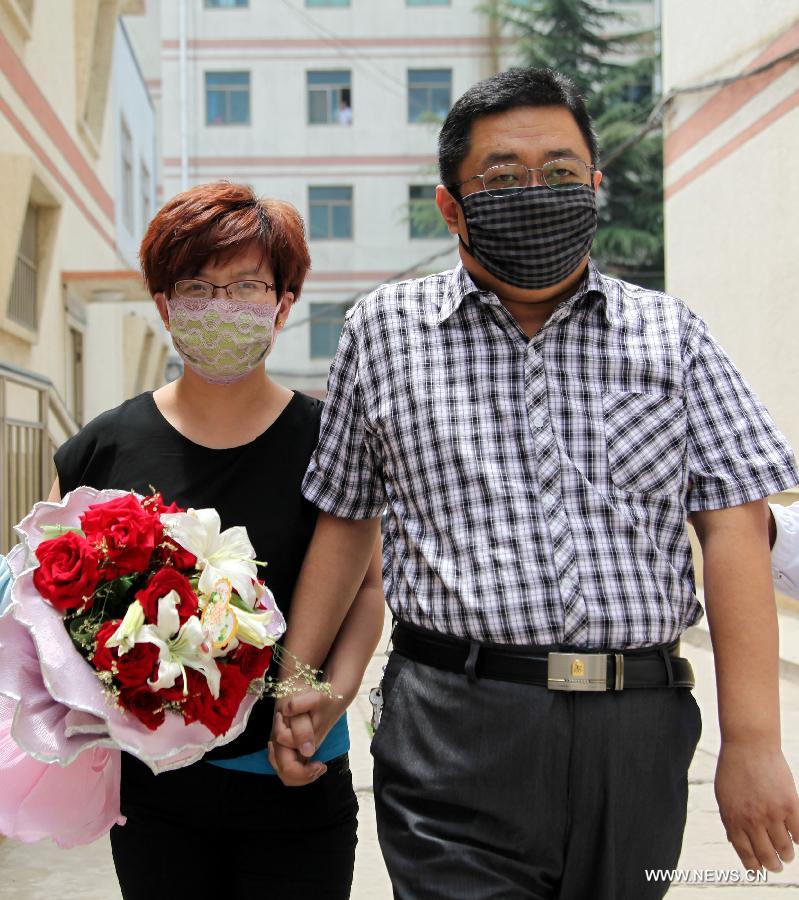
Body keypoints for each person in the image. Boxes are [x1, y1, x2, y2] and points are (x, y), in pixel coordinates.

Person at [271, 68, 799, 899]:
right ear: (451, 207)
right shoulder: (383, 333)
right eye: (503, 178)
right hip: (453, 723)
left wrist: (753, 741)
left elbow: (734, 524)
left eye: (559, 174)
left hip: (640, 728)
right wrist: (298, 683)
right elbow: (345, 522)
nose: (536, 192)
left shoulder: (671, 334)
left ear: (594, 187)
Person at [48, 181, 385, 900]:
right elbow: (42, 605)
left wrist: (331, 691)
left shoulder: (331, 440)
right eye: (196, 286)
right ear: (165, 306)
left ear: (283, 305)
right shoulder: (104, 447)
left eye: (247, 286)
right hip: (153, 791)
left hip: (297, 773)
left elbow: (366, 591)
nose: (221, 306)